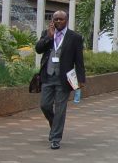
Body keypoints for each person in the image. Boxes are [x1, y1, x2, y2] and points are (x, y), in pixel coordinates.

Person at [35, 10, 85, 150]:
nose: (58, 22)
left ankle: (55, 138)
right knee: (44, 105)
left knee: (60, 109)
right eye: (55, 19)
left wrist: (81, 79)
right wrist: (48, 38)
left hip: (64, 78)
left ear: (66, 20)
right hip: (48, 76)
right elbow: (38, 49)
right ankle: (53, 122)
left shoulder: (74, 37)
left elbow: (79, 60)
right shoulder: (48, 33)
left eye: (61, 19)